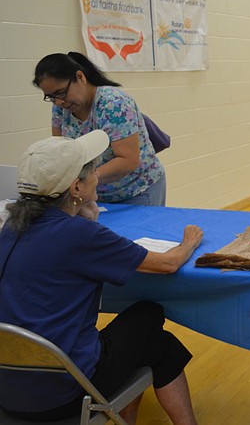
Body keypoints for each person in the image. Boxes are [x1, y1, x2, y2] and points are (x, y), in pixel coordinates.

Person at [0, 131, 203, 424]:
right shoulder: (80, 236)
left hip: (10, 391)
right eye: (93, 170)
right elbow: (167, 265)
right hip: (65, 391)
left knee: (158, 345)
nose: (98, 175)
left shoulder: (10, 230)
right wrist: (189, 241)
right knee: (149, 315)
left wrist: (86, 218)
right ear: (76, 187)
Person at [33, 51, 166, 205]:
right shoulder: (61, 108)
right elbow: (61, 150)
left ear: (80, 77)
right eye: (51, 97)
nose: (58, 102)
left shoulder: (114, 104)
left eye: (61, 93)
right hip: (94, 192)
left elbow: (128, 160)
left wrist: (86, 179)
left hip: (136, 189)